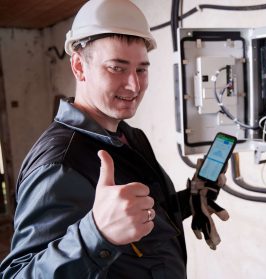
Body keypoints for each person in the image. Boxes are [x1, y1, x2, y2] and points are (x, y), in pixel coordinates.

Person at [0, 0, 229, 278]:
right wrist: (97, 234)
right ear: (79, 67)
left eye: (141, 69)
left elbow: (138, 221)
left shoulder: (130, 137)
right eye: (116, 68)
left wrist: (188, 201)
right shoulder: (60, 163)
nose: (134, 84)